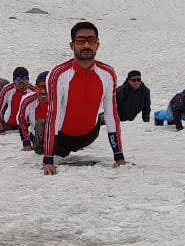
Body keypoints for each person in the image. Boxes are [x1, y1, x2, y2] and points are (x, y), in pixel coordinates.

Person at [42, 21, 125, 175]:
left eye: (91, 41)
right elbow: (53, 115)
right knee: (52, 147)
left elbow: (111, 114)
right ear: (72, 45)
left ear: (97, 45)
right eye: (81, 41)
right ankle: (39, 137)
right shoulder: (58, 74)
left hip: (89, 134)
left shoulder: (107, 73)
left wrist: (119, 158)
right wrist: (48, 159)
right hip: (61, 138)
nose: (86, 45)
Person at [0, 66, 33, 135]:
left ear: (28, 80)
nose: (21, 81)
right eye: (18, 79)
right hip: (8, 127)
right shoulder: (7, 89)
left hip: (27, 127)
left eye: (24, 79)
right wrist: (1, 129)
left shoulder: (33, 90)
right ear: (14, 80)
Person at [17, 71, 49, 153]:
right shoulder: (28, 100)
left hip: (57, 136)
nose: (43, 91)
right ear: (35, 88)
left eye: (47, 87)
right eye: (40, 87)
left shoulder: (61, 99)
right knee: (40, 121)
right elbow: (21, 119)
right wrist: (26, 141)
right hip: (37, 135)